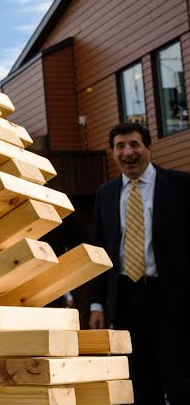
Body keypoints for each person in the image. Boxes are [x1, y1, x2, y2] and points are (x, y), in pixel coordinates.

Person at [89, 122, 190, 404]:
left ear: (148, 148)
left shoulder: (180, 186)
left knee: (181, 380)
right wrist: (97, 304)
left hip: (171, 300)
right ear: (112, 152)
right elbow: (100, 250)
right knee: (140, 384)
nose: (128, 152)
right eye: (120, 146)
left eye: (134, 144)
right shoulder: (106, 194)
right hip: (124, 301)